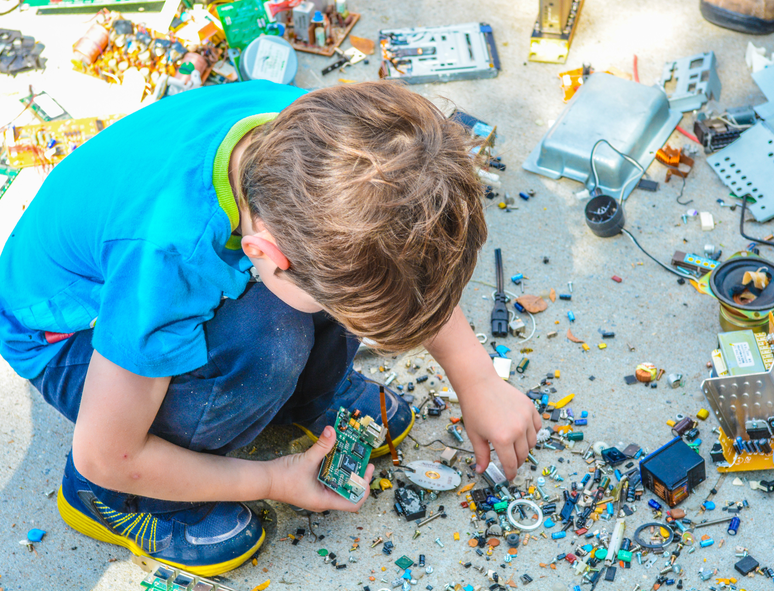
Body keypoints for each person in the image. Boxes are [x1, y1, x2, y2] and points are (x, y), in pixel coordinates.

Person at [0, 80, 541, 576]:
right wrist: (271, 479)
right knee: (269, 341)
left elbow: (409, 263)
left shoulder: (331, 144)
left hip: (164, 279)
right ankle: (113, 502)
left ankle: (302, 398)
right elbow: (106, 452)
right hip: (69, 338)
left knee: (334, 292)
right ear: (266, 255)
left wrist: (477, 379)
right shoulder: (167, 261)